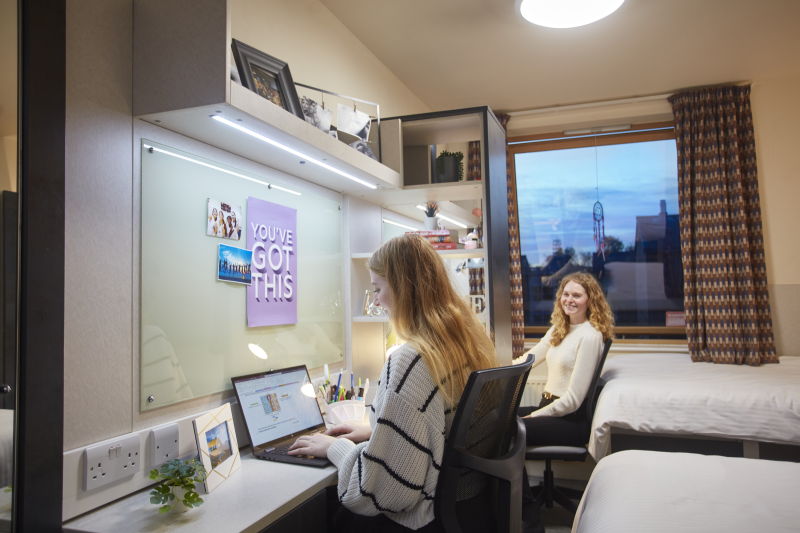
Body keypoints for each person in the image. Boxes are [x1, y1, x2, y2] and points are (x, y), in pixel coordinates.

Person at [288, 234, 498, 533]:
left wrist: (336, 447)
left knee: (325, 510)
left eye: (377, 289)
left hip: (425, 517)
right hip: (470, 507)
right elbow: (440, 425)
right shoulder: (465, 341)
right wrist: (380, 431)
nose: (375, 300)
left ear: (403, 290)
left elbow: (380, 491)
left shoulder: (410, 359)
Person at [517, 272, 614, 533]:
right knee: (496, 419)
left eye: (577, 295)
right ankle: (517, 510)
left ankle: (529, 521)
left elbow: (572, 401)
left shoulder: (590, 336)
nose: (569, 300)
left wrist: (533, 417)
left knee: (509, 430)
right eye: (566, 294)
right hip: (549, 408)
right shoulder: (560, 328)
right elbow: (528, 359)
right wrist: (493, 371)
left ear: (590, 300)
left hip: (570, 419)